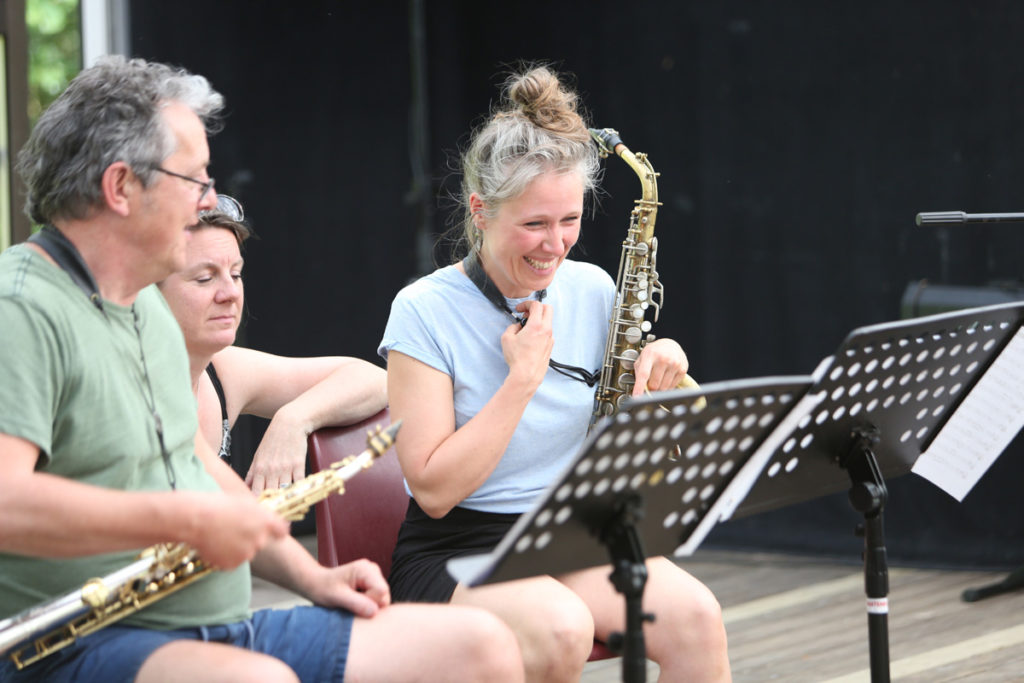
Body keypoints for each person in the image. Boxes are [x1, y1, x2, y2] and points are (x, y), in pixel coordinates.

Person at [0, 56, 523, 683]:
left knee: (482, 647)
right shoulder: (21, 309)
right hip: (68, 647)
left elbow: (197, 467)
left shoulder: (145, 308)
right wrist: (187, 521)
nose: (209, 199)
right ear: (120, 188)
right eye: (194, 179)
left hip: (216, 627)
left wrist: (314, 578)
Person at [380, 64, 732, 682]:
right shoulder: (423, 310)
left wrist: (663, 363)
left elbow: (622, 416)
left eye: (569, 220)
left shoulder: (593, 288)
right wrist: (521, 381)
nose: (555, 245)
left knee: (697, 617)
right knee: (561, 627)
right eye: (534, 224)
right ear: (480, 210)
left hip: (569, 533)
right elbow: (433, 491)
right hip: (459, 547)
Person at [157, 195, 387, 493]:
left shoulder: (222, 369)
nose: (230, 293)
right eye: (204, 278)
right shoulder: (121, 383)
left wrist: (293, 419)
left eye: (235, 274)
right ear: (148, 290)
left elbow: (375, 380)